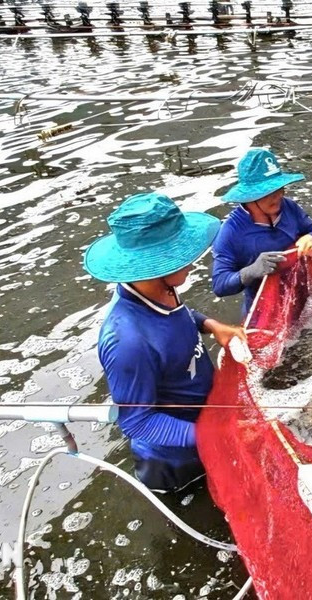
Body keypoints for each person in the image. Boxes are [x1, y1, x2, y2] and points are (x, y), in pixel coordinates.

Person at [84, 192, 246, 493]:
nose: (192, 260)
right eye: (180, 255)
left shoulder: (160, 288)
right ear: (151, 266)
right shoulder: (127, 342)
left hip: (206, 425)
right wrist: (214, 434)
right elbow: (137, 423)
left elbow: (178, 317)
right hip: (173, 463)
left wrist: (211, 325)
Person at [212, 148, 312, 317]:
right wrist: (251, 271)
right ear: (250, 196)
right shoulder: (231, 231)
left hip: (300, 297)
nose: (279, 196)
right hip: (264, 313)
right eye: (270, 192)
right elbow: (220, 285)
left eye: (280, 189)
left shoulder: (288, 207)